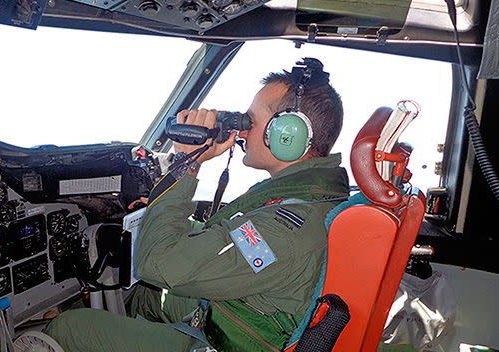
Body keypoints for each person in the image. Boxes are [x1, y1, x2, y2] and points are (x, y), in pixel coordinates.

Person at [45, 59, 349, 352]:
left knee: (70, 328)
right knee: (146, 297)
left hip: (230, 339)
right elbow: (236, 242)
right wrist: (163, 216)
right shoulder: (308, 200)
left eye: (250, 122)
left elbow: (157, 263)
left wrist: (187, 163)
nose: (241, 131)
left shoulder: (284, 229)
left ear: (288, 135)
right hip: (245, 309)